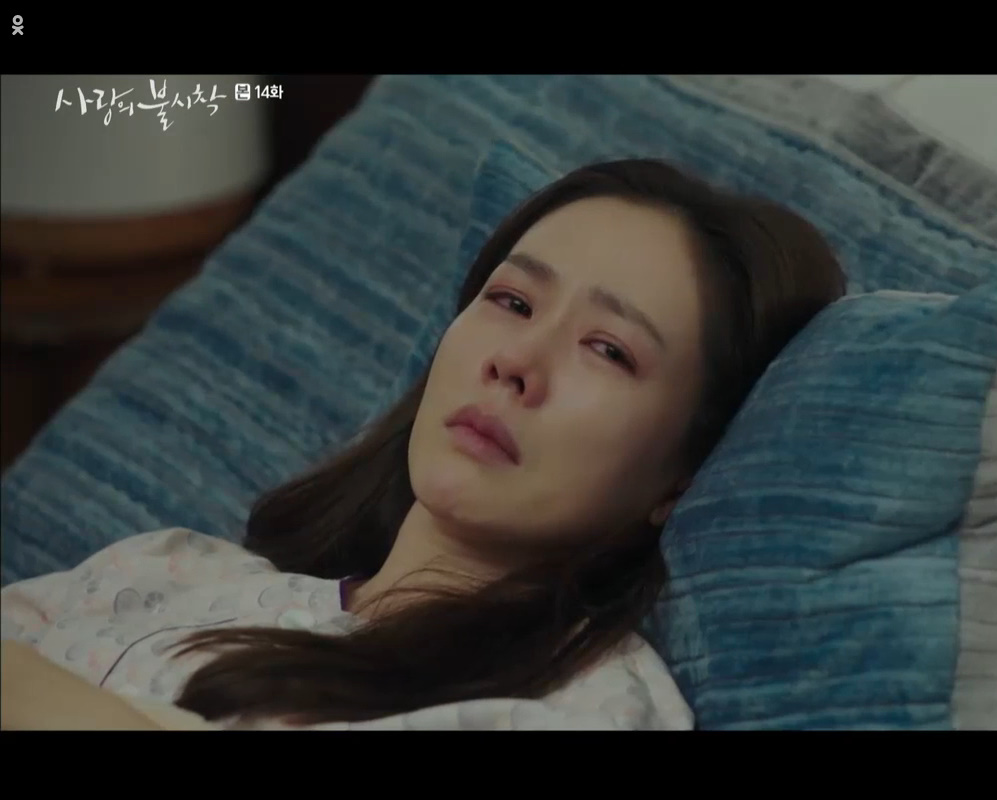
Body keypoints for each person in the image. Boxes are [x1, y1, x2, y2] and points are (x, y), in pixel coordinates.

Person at [0, 157, 847, 730]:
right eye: (512, 302)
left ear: (680, 477)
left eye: (608, 350)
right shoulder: (168, 570)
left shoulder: (584, 706)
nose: (517, 362)